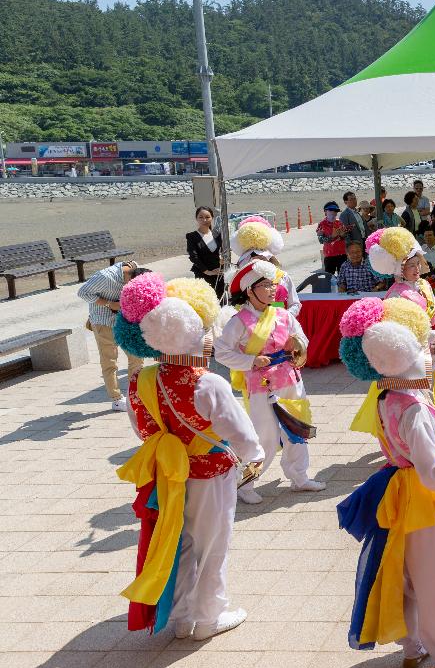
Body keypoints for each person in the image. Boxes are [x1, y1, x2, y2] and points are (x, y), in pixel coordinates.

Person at [336, 298, 435, 668]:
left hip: (398, 494)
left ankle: (413, 648)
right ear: (409, 357)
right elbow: (433, 473)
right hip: (424, 498)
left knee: (407, 576)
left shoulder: (387, 396)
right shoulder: (412, 408)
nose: (430, 353)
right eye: (424, 347)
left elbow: (429, 420)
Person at [113, 272, 264, 640]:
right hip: (211, 474)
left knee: (179, 542)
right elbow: (240, 431)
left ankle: (181, 619)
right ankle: (210, 617)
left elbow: (143, 429)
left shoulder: (140, 380)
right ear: (195, 331)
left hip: (168, 474)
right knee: (213, 545)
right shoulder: (208, 382)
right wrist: (254, 455)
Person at [214, 260, 325, 504]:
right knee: (263, 435)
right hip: (261, 385)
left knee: (297, 430)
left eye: (273, 284)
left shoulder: (283, 314)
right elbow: (221, 352)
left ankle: (299, 477)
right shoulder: (239, 321)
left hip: (290, 379)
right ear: (249, 290)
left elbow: (301, 338)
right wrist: (251, 361)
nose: (272, 289)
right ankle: (246, 484)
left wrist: (297, 346)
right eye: (265, 285)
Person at [371, 227, 435, 413]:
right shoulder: (396, 296)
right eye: (411, 265)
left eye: (417, 263)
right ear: (400, 269)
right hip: (411, 354)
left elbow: (433, 309)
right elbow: (402, 332)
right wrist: (433, 334)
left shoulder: (423, 284)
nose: (417, 268)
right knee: (420, 397)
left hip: (428, 349)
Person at [79, 259, 145, 411]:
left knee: (137, 357)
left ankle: (135, 394)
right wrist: (109, 303)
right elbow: (82, 292)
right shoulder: (105, 277)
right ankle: (116, 399)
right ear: (128, 276)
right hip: (103, 322)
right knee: (110, 361)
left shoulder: (136, 269)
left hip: (125, 321)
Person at [231, 216, 300, 318]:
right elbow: (234, 306)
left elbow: (295, 304)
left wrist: (283, 319)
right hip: (250, 327)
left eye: (262, 258)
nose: (258, 262)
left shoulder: (283, 277)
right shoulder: (241, 280)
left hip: (279, 327)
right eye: (252, 259)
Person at [186, 206, 225, 297]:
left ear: (212, 218)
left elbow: (222, 251)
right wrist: (207, 271)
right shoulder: (192, 236)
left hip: (218, 273)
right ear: (196, 219)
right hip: (202, 274)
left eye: (207, 217)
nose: (204, 220)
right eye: (201, 217)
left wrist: (222, 261)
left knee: (220, 299)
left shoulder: (217, 235)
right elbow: (193, 257)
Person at [317, 201, 348, 274]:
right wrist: (332, 236)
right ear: (325, 211)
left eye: (336, 211)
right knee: (330, 277)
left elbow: (344, 237)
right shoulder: (321, 224)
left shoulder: (340, 223)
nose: (333, 212)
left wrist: (343, 235)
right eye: (331, 210)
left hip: (342, 253)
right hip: (329, 255)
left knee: (343, 276)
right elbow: (321, 240)